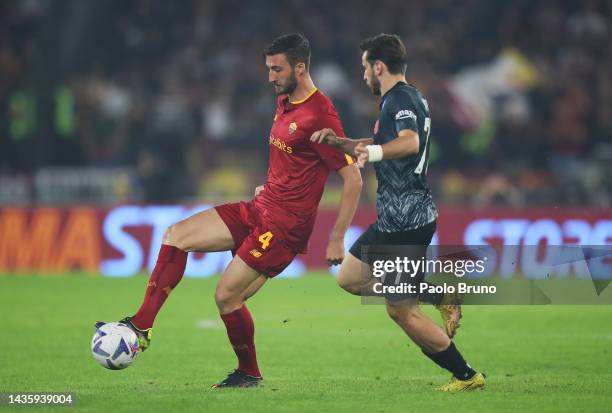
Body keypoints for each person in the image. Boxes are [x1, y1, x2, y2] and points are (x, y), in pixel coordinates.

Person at [98, 33, 362, 388]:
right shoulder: (285, 99)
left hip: (284, 227)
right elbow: (295, 162)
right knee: (176, 235)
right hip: (261, 206)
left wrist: (337, 237)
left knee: (226, 296)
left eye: (276, 69)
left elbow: (353, 178)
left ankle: (248, 372)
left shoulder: (320, 113)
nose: (270, 76)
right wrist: (273, 185)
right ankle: (141, 325)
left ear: (300, 68)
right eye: (268, 68)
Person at [310, 34, 485, 391]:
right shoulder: (401, 98)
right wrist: (340, 143)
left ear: (378, 66)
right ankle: (439, 296)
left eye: (364, 68)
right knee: (348, 278)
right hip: (393, 218)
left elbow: (410, 142)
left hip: (408, 220)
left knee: (400, 310)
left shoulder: (401, 98)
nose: (363, 76)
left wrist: (371, 155)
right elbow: (384, 144)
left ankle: (467, 376)